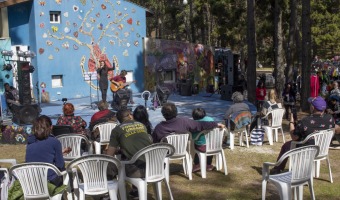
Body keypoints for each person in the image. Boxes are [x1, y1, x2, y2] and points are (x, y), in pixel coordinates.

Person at [271, 96, 335, 174]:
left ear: (313, 107)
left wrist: (291, 122)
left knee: (286, 146)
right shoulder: (330, 119)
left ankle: (277, 169)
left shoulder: (305, 121)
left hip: (307, 151)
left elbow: (294, 137)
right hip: (322, 150)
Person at [106, 108, 152, 199]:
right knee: (134, 157)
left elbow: (109, 155)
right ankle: (135, 191)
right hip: (155, 167)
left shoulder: (117, 130)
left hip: (138, 171)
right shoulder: (142, 125)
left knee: (108, 163)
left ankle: (107, 193)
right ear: (130, 116)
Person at [25, 115, 71, 186]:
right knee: (68, 175)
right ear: (51, 127)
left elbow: (39, 156)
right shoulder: (54, 142)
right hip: (49, 181)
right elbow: (60, 165)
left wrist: (59, 153)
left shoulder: (30, 142)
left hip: (31, 182)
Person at [152, 102, 225, 143]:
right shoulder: (184, 121)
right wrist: (216, 124)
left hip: (166, 152)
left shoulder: (159, 128)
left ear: (163, 114)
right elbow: (201, 125)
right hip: (183, 150)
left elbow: (154, 142)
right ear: (176, 112)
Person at [191, 108, 215, 172]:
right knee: (208, 147)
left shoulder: (195, 124)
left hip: (202, 146)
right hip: (214, 145)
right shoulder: (210, 119)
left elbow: (193, 137)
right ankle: (208, 164)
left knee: (195, 146)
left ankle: (197, 164)